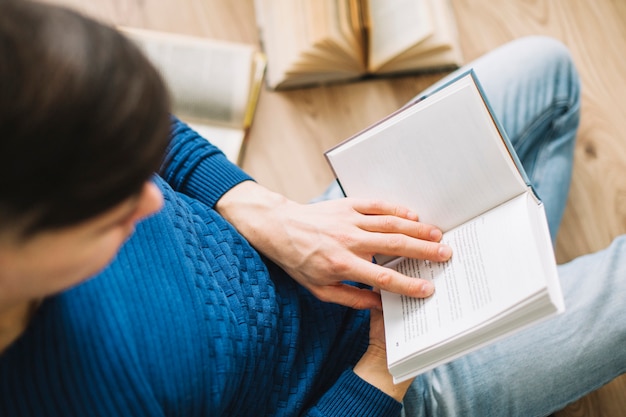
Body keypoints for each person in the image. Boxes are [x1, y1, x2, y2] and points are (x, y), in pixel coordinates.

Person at [0, 1, 624, 416]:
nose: (155, 198)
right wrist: (384, 374)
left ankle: (510, 302)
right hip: (373, 384)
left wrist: (267, 214)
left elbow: (138, 130)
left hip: (309, 252)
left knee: (549, 72)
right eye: (111, 212)